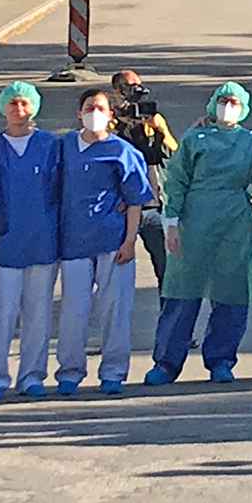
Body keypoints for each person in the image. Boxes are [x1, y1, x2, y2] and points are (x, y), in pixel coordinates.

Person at [145, 82, 252, 384]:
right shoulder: (196, 138)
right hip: (194, 225)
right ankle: (166, 363)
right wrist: (171, 223)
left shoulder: (248, 142)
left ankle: (221, 360)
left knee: (231, 295)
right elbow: (176, 180)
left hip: (235, 226)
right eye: (223, 100)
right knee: (182, 293)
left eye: (234, 102)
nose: (227, 107)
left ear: (244, 108)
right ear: (213, 104)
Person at [54, 88, 153, 396]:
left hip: (113, 242)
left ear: (111, 115)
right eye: (88, 107)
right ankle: (69, 373)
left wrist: (129, 241)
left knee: (115, 311)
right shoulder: (64, 147)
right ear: (78, 113)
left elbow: (135, 200)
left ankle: (113, 372)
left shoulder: (122, 152)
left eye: (100, 108)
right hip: (74, 242)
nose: (93, 113)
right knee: (73, 313)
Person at [0, 81, 63, 400]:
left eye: (24, 103)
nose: (19, 110)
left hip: (43, 241)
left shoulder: (50, 145)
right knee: (0, 315)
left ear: (35, 107)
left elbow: (63, 189)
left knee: (38, 315)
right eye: (13, 103)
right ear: (3, 107)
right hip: (5, 243)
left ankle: (32, 375)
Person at [110, 69, 179, 287]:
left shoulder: (152, 118)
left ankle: (167, 307)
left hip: (153, 205)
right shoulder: (108, 120)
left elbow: (174, 154)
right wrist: (119, 125)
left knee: (166, 270)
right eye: (129, 86)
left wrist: (159, 130)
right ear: (117, 91)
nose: (136, 91)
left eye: (138, 86)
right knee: (115, 270)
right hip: (121, 208)